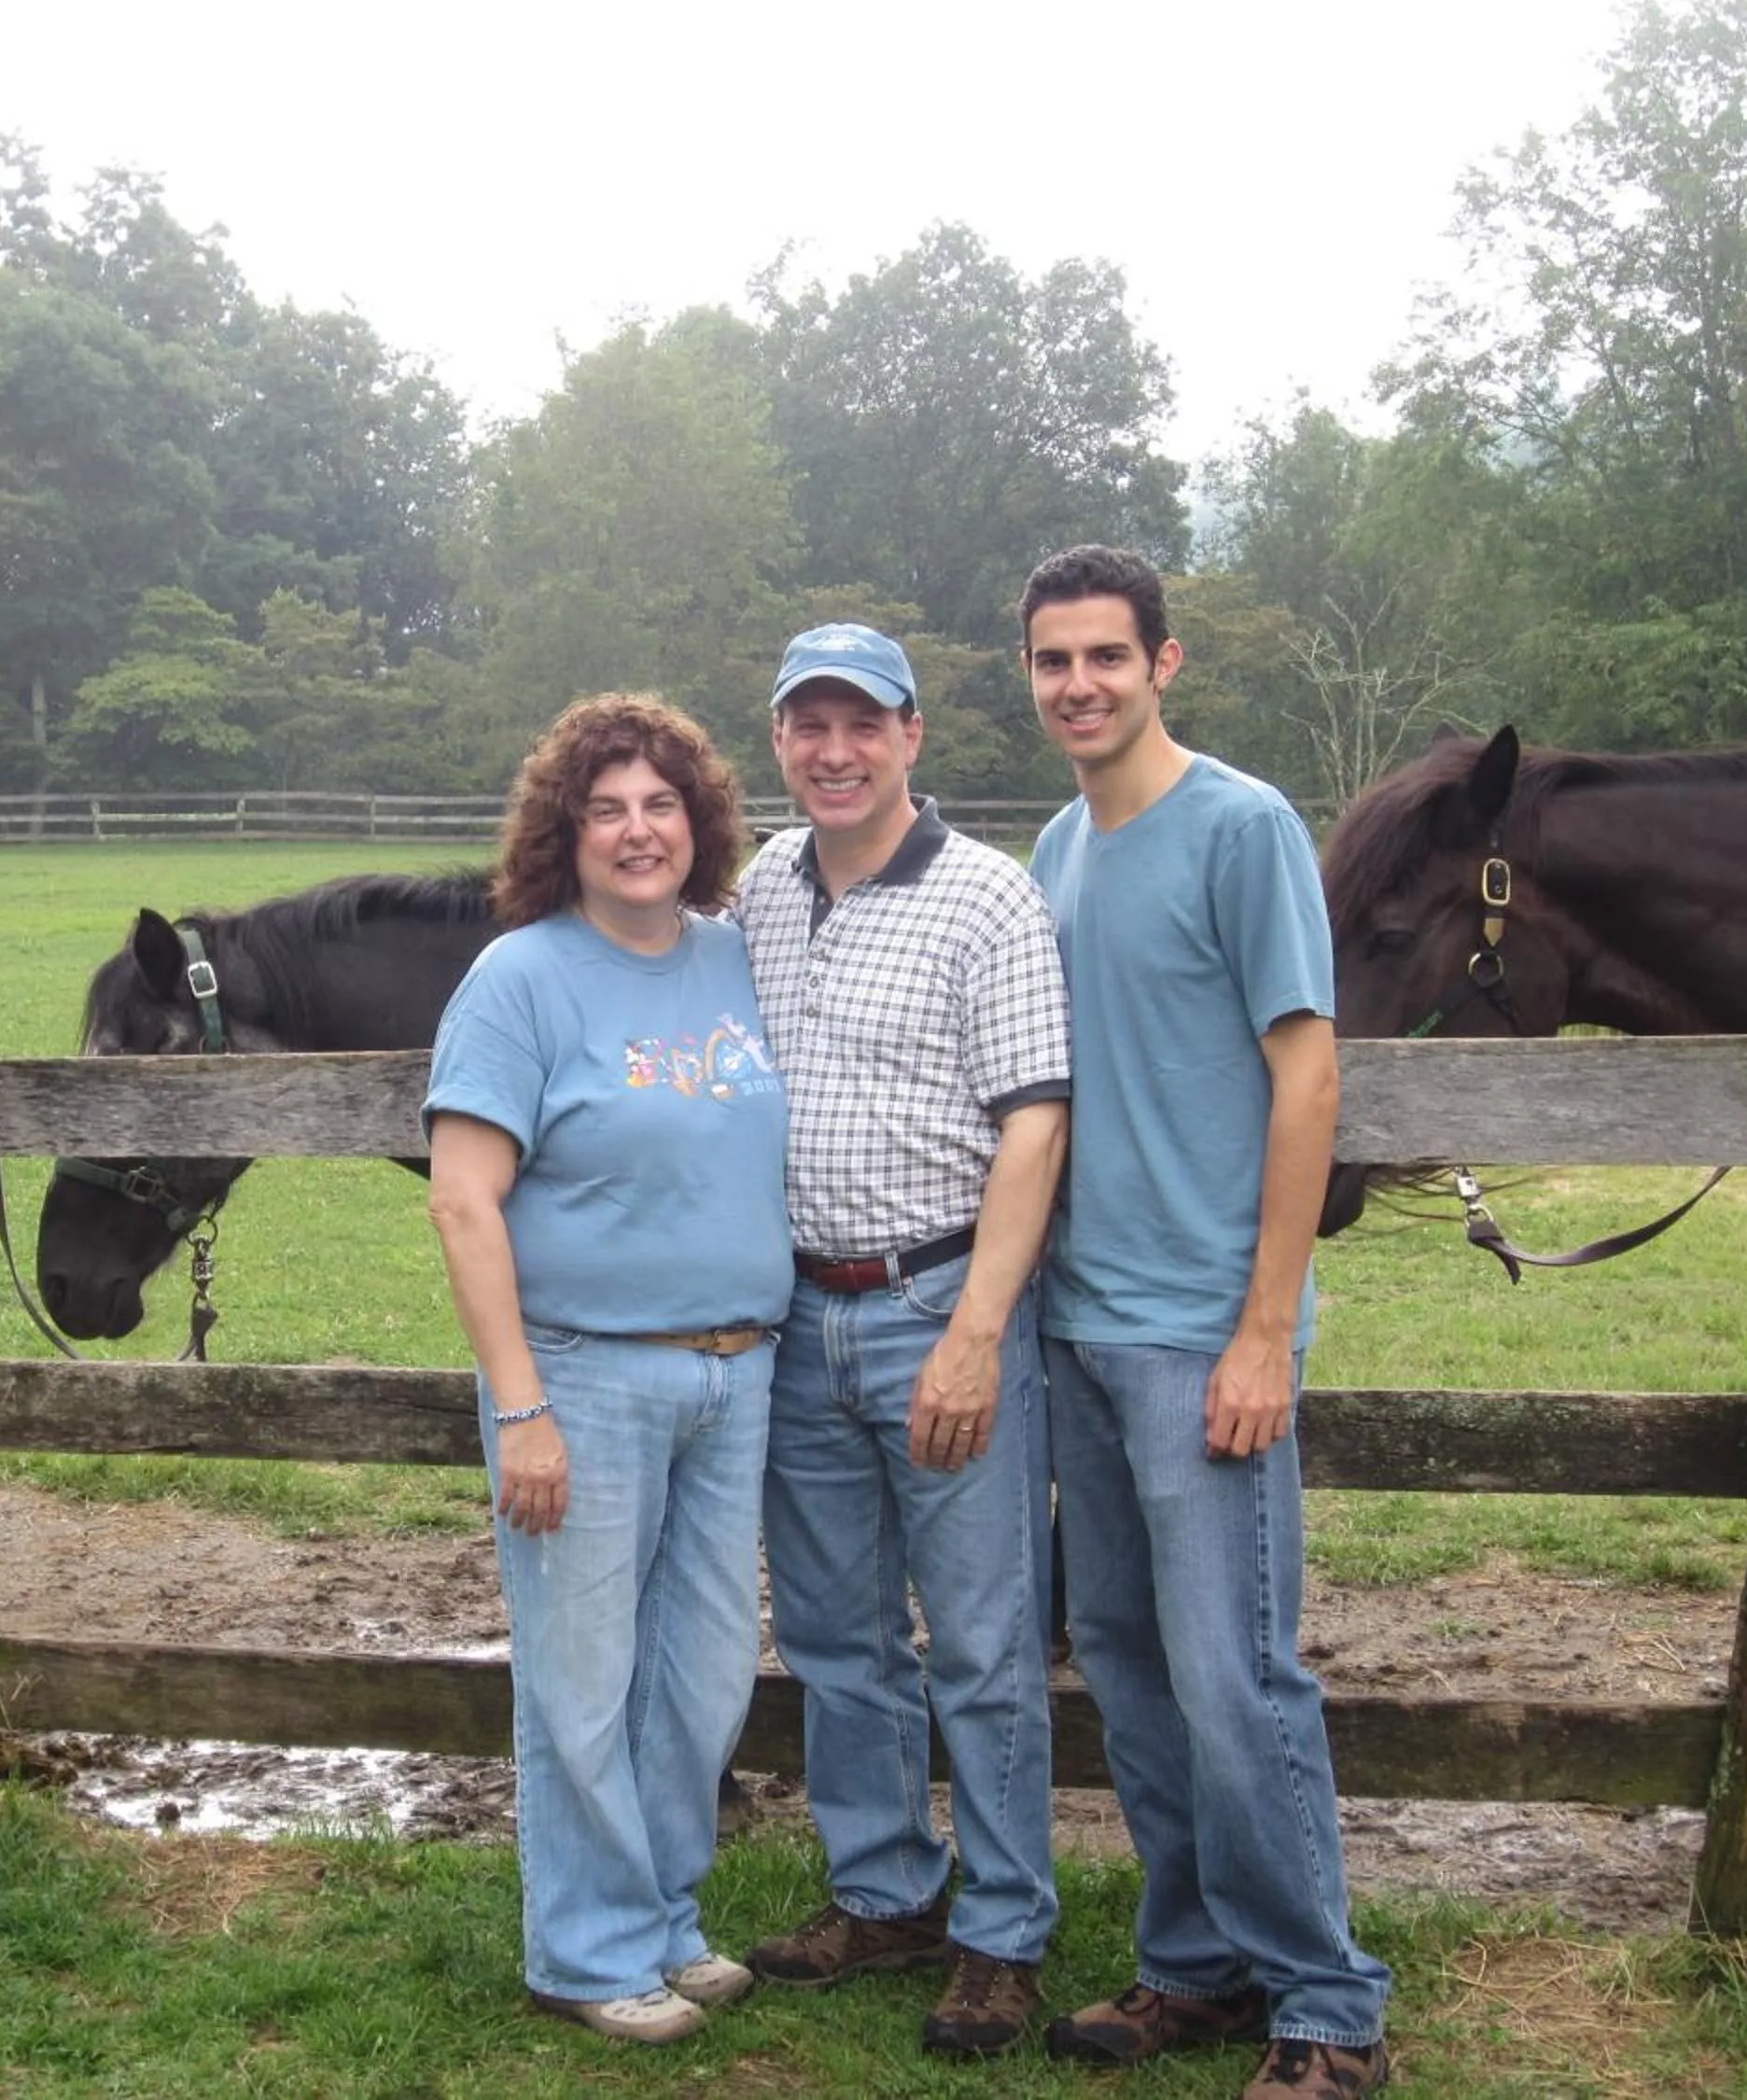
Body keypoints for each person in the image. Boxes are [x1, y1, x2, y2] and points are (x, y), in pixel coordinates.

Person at [1017, 546, 1392, 2099]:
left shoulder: (1243, 829)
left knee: (1237, 1673)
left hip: (1202, 1336)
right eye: (1053, 661)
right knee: (1125, 1657)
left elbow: (1307, 1075)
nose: (1080, 685)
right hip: (1080, 1329)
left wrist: (1266, 1324)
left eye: (1108, 656)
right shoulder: (1054, 846)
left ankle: (1328, 1998)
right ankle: (1196, 1959)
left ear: (1163, 664)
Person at [423, 693, 792, 2047]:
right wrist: (521, 1404)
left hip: (734, 1371)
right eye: (607, 809)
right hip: (583, 1375)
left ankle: (664, 1919)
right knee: (582, 1678)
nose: (639, 831)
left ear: (697, 822)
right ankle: (582, 1949)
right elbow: (464, 1201)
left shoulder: (731, 958)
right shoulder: (522, 979)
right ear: (563, 834)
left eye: (661, 804)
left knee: (700, 1679)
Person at [735, 623, 1071, 2058]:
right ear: (780, 742)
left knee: (985, 1639)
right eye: (807, 724)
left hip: (937, 1297)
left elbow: (1035, 1123)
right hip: (797, 1310)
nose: (834, 749)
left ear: (912, 734)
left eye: (859, 722)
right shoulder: (758, 882)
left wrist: (979, 1331)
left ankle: (1001, 1929)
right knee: (833, 1631)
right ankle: (885, 1888)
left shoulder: (988, 898)